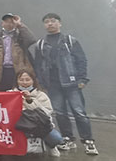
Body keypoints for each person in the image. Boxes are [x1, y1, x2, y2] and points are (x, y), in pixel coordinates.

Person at [33, 13, 98, 155]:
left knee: (79, 112)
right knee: (60, 113)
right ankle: (68, 138)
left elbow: (81, 60)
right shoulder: (41, 44)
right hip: (53, 84)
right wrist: (42, 83)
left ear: (59, 23)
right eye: (47, 22)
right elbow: (38, 65)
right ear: (44, 25)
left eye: (53, 21)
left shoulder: (70, 41)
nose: (50, 24)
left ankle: (88, 141)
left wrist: (82, 79)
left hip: (72, 82)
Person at [9, 69, 62, 157]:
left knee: (56, 138)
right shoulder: (10, 94)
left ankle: (51, 146)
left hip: (39, 126)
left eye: (27, 79)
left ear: (33, 80)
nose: (24, 82)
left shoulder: (41, 95)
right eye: (21, 80)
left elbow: (47, 112)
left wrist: (29, 100)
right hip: (19, 126)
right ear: (17, 81)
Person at [0, 14, 36, 91]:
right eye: (6, 21)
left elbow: (31, 39)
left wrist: (19, 25)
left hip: (18, 70)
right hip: (1, 71)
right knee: (2, 94)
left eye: (11, 22)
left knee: (18, 93)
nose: (9, 24)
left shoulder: (20, 36)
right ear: (2, 23)